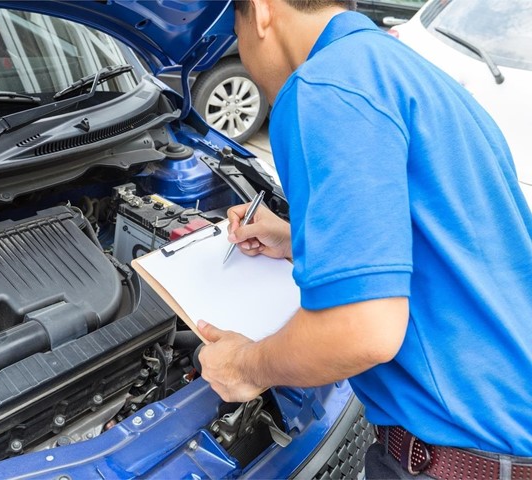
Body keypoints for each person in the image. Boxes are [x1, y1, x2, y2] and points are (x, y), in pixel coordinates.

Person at [196, 0, 532, 478]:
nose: (242, 55)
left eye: (235, 30)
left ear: (263, 10)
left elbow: (362, 329)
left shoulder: (324, 86)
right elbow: (451, 241)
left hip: (457, 456)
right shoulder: (403, 70)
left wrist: (244, 366)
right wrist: (294, 239)